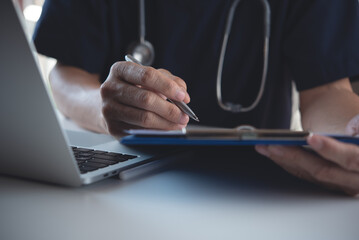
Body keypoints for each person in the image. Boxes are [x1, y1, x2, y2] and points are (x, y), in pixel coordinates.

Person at [33, 0, 359, 195]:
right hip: (124, 179)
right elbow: (67, 73)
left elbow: (328, 89)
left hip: (257, 189)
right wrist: (102, 110)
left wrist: (350, 137)